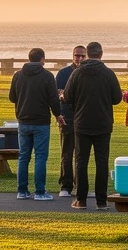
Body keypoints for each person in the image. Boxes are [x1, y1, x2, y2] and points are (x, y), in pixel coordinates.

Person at [62, 41, 122, 210]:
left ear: (87, 54)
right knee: (102, 162)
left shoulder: (77, 73)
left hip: (82, 123)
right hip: (103, 123)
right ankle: (101, 201)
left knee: (81, 161)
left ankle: (80, 200)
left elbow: (67, 96)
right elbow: (117, 98)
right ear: (101, 54)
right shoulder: (108, 74)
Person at [8, 48, 63, 201]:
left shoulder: (18, 75)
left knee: (24, 157)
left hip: (23, 121)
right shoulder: (47, 76)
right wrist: (58, 115)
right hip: (41, 122)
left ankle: (22, 190)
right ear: (42, 59)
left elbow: (12, 97)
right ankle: (40, 191)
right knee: (40, 157)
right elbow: (53, 99)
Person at [55, 45, 85, 197]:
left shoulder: (87, 73)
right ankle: (65, 185)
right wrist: (58, 115)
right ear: (72, 56)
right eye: (76, 55)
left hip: (84, 118)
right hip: (67, 118)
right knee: (66, 153)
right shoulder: (63, 73)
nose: (79, 58)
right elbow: (57, 95)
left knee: (81, 155)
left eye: (82, 56)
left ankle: (80, 186)